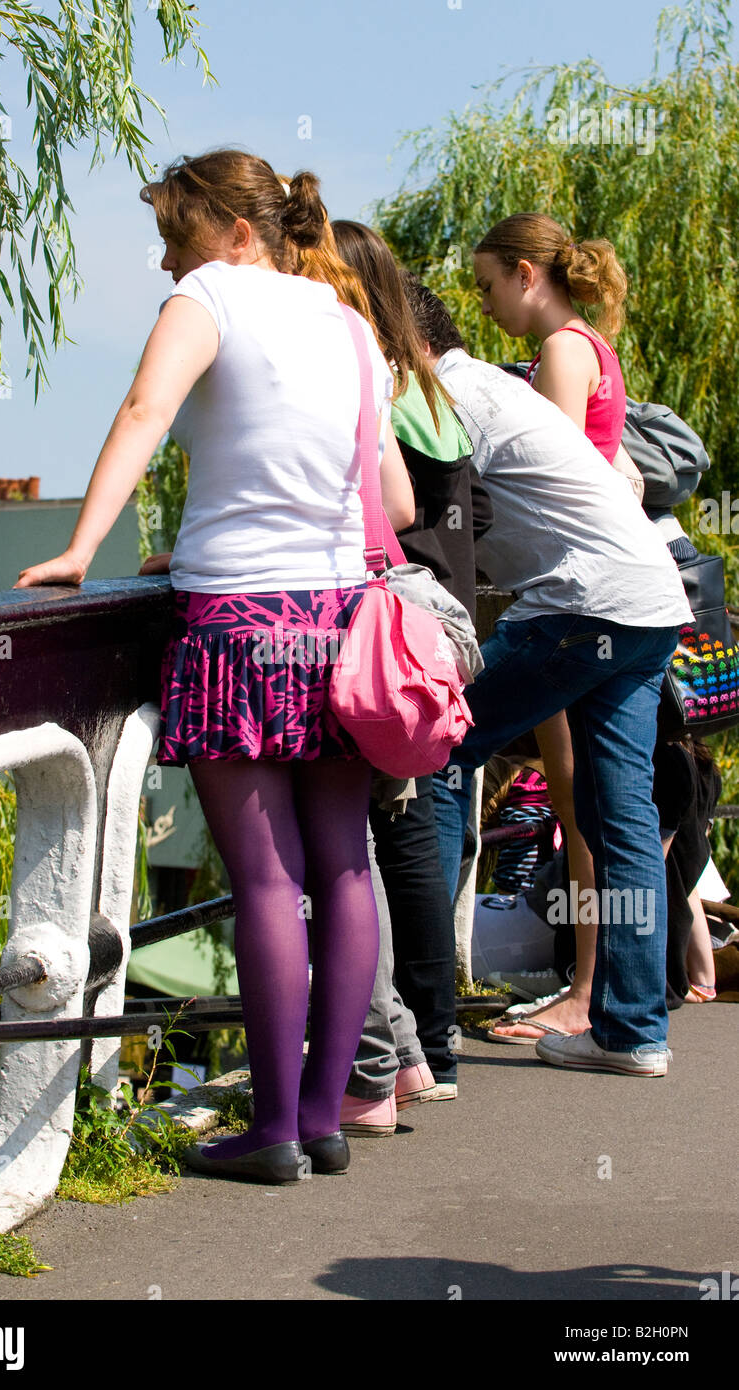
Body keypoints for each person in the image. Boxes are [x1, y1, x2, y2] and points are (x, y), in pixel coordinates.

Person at [14, 149, 416, 1182]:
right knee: (340, 863)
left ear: (235, 234)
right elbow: (398, 507)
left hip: (239, 620)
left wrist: (81, 550)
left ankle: (271, 1129)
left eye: (174, 236)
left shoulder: (210, 294)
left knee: (267, 879)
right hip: (339, 623)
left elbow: (144, 414)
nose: (162, 263)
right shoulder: (349, 321)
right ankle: (324, 1118)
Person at [407, 280, 694, 1075]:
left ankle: (418, 1026)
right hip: (646, 597)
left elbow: (421, 528)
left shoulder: (443, 397)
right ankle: (632, 1032)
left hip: (580, 603)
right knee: (620, 810)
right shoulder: (498, 383)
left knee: (435, 747)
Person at [471, 213, 645, 1044]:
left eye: (489, 285)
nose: (484, 303)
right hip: (606, 597)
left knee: (576, 805)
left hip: (571, 596)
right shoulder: (590, 348)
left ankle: (583, 992)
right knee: (601, 806)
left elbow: (548, 464)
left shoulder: (564, 354)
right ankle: (616, 1008)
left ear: (527, 272)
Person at [329, 221, 486, 1133]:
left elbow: (387, 504)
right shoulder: (433, 387)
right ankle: (432, 1043)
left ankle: (407, 1050)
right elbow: (479, 509)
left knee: (395, 833)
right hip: (439, 624)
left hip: (387, 614)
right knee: (418, 830)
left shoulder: (367, 378)